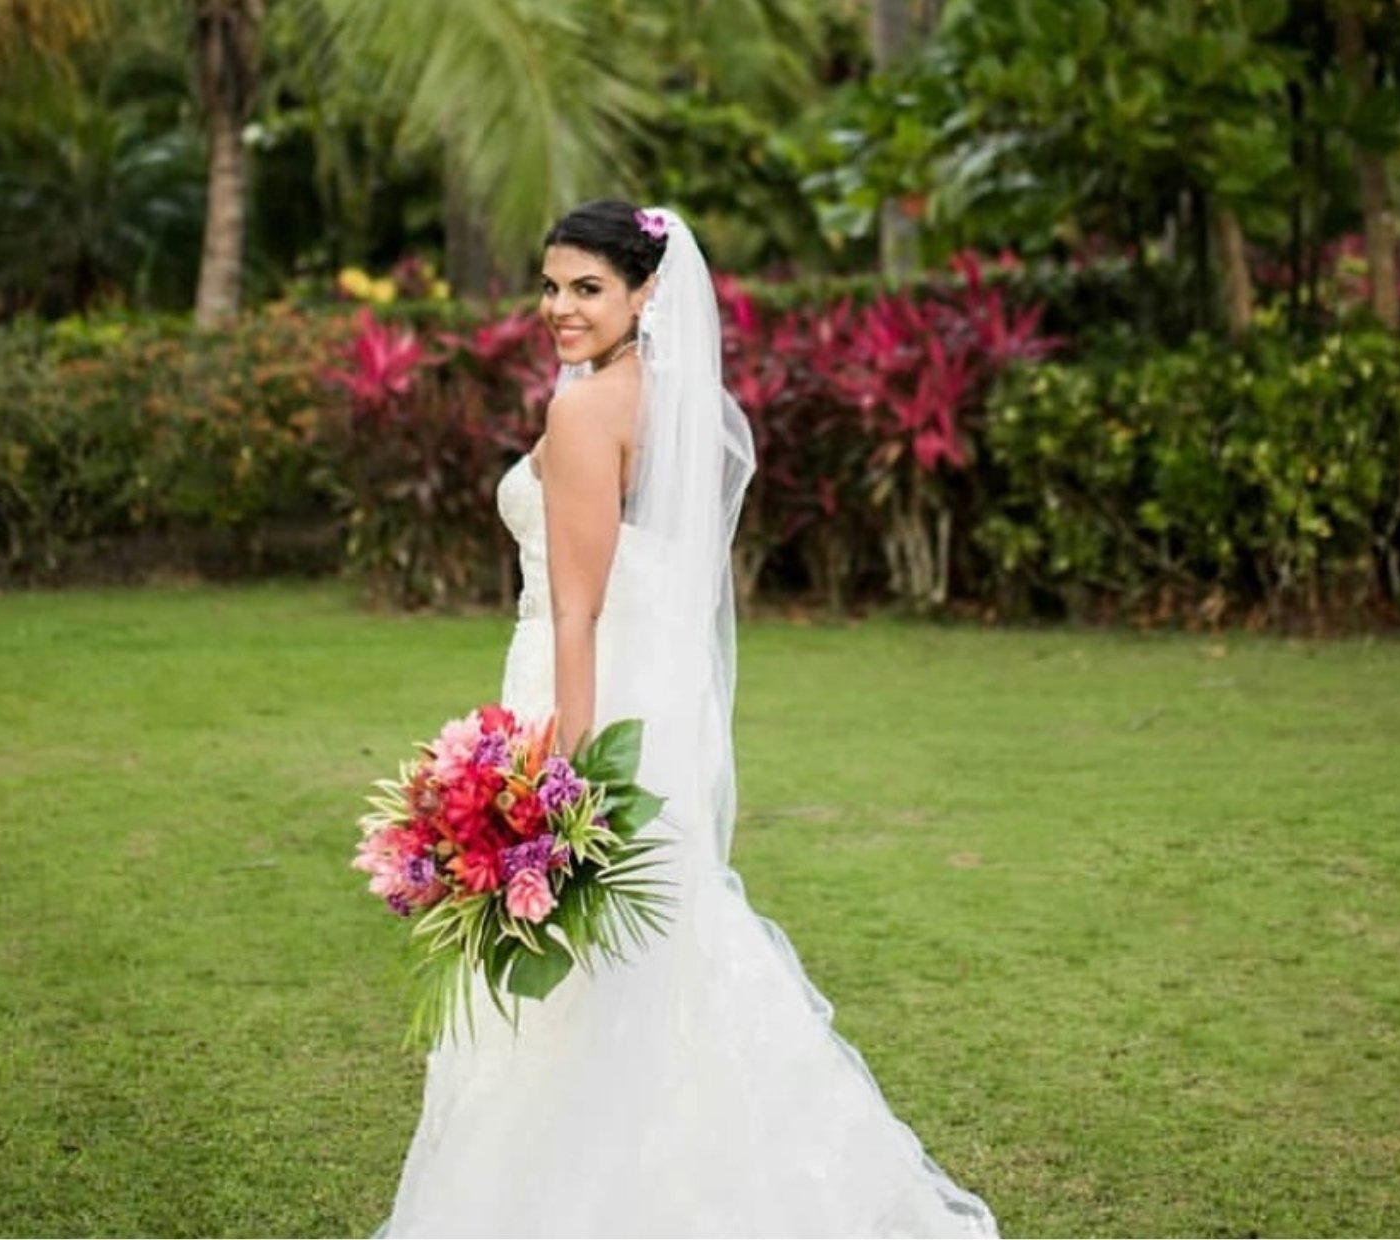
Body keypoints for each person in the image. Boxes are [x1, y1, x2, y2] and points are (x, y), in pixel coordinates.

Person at [375, 200, 998, 1239]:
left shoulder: (582, 412)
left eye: (587, 288)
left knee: (586, 985)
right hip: (648, 699)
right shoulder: (669, 400)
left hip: (580, 696)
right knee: (662, 951)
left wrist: (554, 781)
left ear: (643, 293)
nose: (560, 309)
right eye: (549, 286)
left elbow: (577, 605)